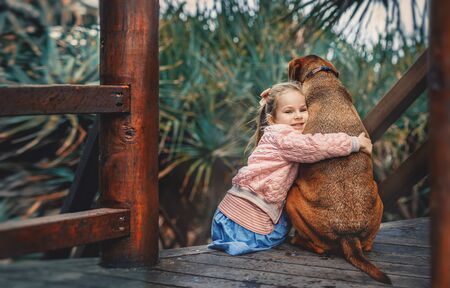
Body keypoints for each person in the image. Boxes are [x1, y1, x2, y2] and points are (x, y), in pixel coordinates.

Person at [208, 82, 373, 255]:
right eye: (289, 111)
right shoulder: (284, 138)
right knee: (288, 221)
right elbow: (315, 146)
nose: (298, 116)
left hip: (226, 217)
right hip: (250, 226)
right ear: (272, 119)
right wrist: (354, 142)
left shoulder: (271, 136)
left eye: (303, 109)